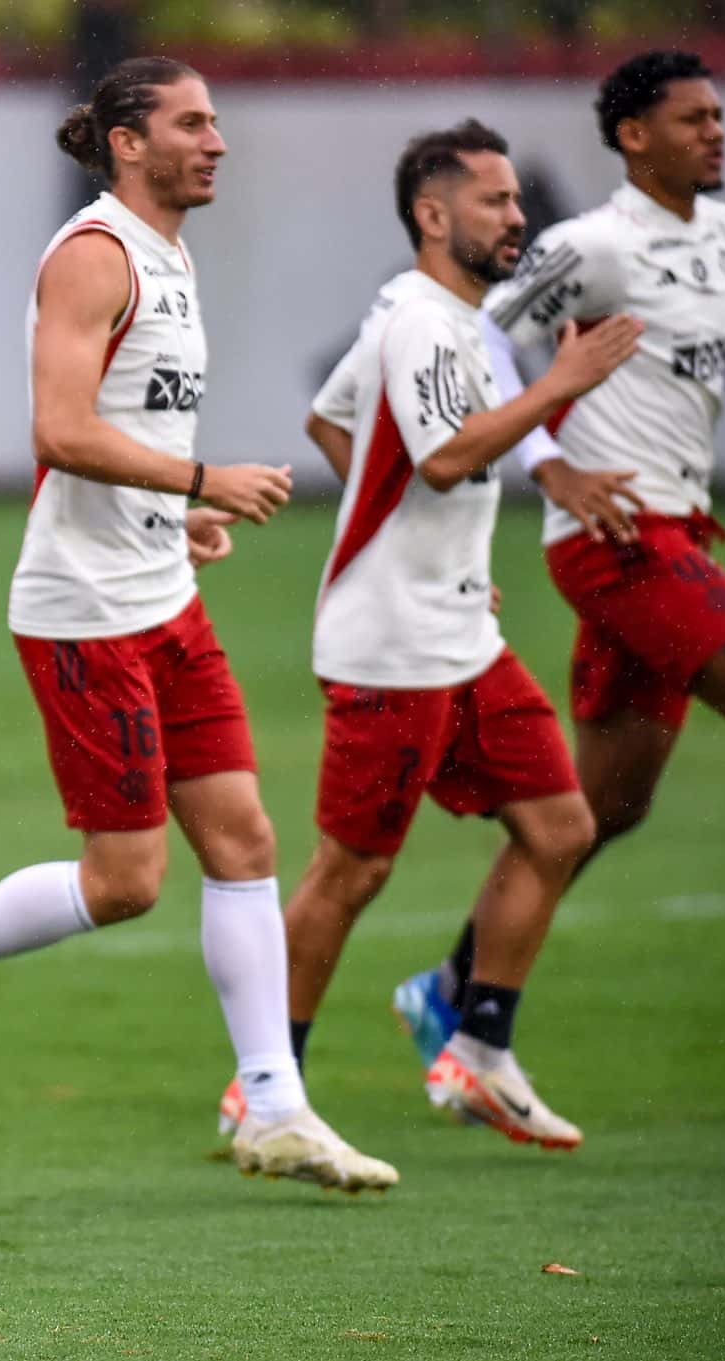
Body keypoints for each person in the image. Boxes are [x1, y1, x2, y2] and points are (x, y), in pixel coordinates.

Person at [0, 57, 397, 1194]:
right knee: (127, 878)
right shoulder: (95, 254)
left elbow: (120, 432)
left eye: (217, 121)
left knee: (243, 843)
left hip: (159, 594)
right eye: (191, 123)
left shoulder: (169, 255)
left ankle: (274, 1109)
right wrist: (199, 479)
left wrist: (171, 517)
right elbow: (58, 428)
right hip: (83, 613)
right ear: (127, 143)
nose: (217, 141)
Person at [231, 121, 640, 1151]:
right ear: (431, 214)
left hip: (456, 633)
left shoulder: (443, 318)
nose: (516, 217)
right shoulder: (418, 321)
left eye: (514, 199)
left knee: (559, 827)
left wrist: (419, 548)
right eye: (493, 201)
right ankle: (265, 1087)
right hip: (389, 651)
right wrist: (558, 384)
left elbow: (334, 419)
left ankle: (478, 1053)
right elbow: (447, 459)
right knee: (351, 871)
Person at [394, 51, 725, 1043]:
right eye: (690, 119)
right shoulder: (592, 245)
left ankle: (449, 990)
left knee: (602, 806)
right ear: (633, 138)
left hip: (673, 526)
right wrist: (548, 465)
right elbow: (483, 334)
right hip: (614, 536)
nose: (714, 132)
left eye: (717, 116)